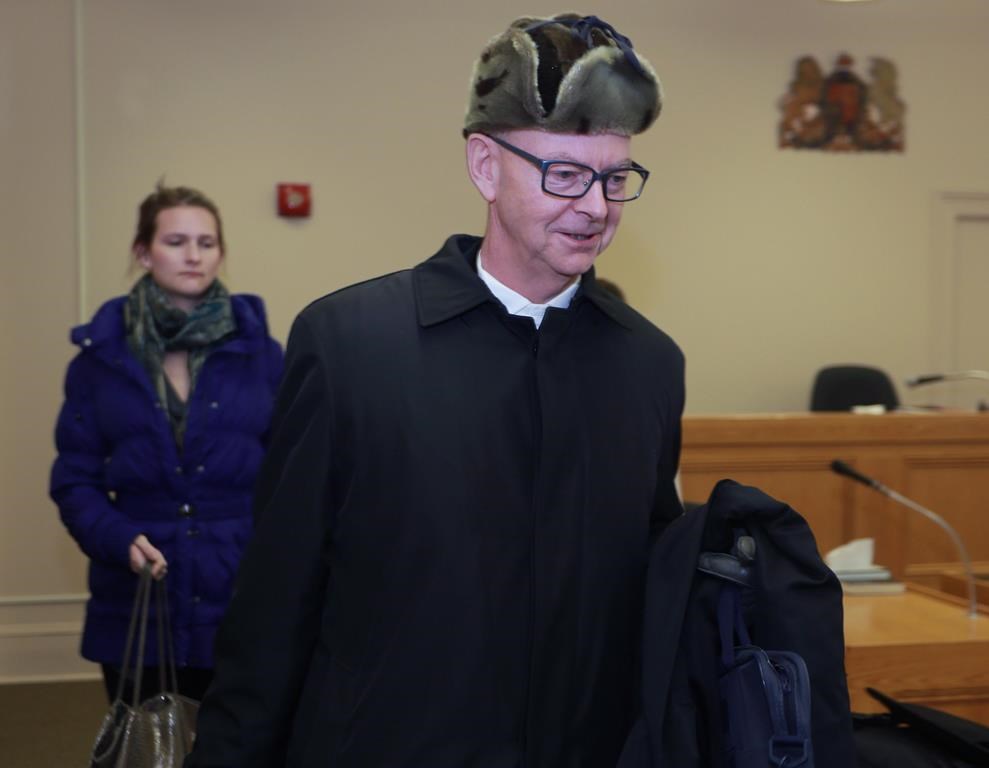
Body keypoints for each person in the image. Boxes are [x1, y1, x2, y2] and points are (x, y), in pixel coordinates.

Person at [188, 13, 684, 767]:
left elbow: (642, 598)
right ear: (484, 166)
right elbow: (276, 602)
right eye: (564, 174)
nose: (594, 207)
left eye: (616, 178)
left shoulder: (647, 364)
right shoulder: (352, 343)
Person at [50, 183, 284, 704]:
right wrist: (117, 537)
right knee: (145, 751)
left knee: (238, 748)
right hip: (137, 596)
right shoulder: (98, 360)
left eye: (207, 242)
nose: (194, 255)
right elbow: (74, 480)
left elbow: (290, 474)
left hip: (237, 591)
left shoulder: (263, 355)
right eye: (176, 241)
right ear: (142, 252)